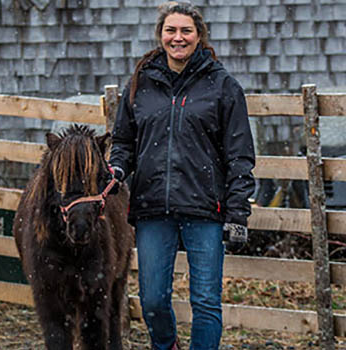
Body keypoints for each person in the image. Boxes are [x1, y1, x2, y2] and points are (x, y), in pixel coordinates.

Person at [108, 2, 255, 349]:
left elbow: (240, 155)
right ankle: (166, 344)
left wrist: (237, 213)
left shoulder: (222, 86)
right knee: (153, 302)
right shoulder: (141, 84)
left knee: (205, 303)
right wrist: (116, 169)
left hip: (205, 210)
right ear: (161, 36)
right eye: (170, 31)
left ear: (199, 36)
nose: (178, 38)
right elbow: (124, 141)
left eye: (186, 31)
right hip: (153, 207)